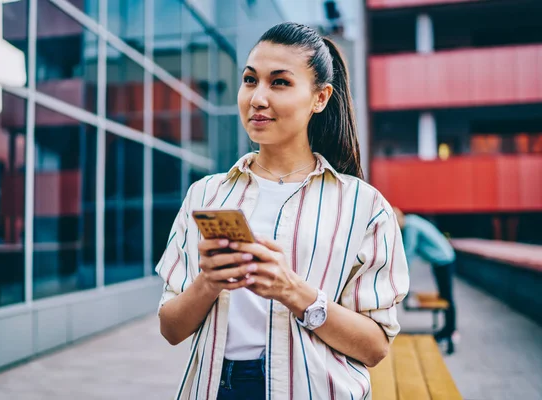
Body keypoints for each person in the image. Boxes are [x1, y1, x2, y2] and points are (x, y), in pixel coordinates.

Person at [156, 22, 409, 400]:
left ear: (320, 98)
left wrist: (293, 291)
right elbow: (171, 329)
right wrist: (208, 281)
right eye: (249, 80)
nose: (257, 98)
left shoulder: (365, 207)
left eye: (279, 82)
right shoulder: (205, 195)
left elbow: (374, 346)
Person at [393, 208, 458, 353]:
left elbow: (408, 252)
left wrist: (401, 277)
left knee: (447, 297)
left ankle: (451, 331)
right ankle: (447, 329)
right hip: (442, 259)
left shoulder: (410, 226)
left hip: (444, 259)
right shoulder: (412, 220)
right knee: (444, 295)